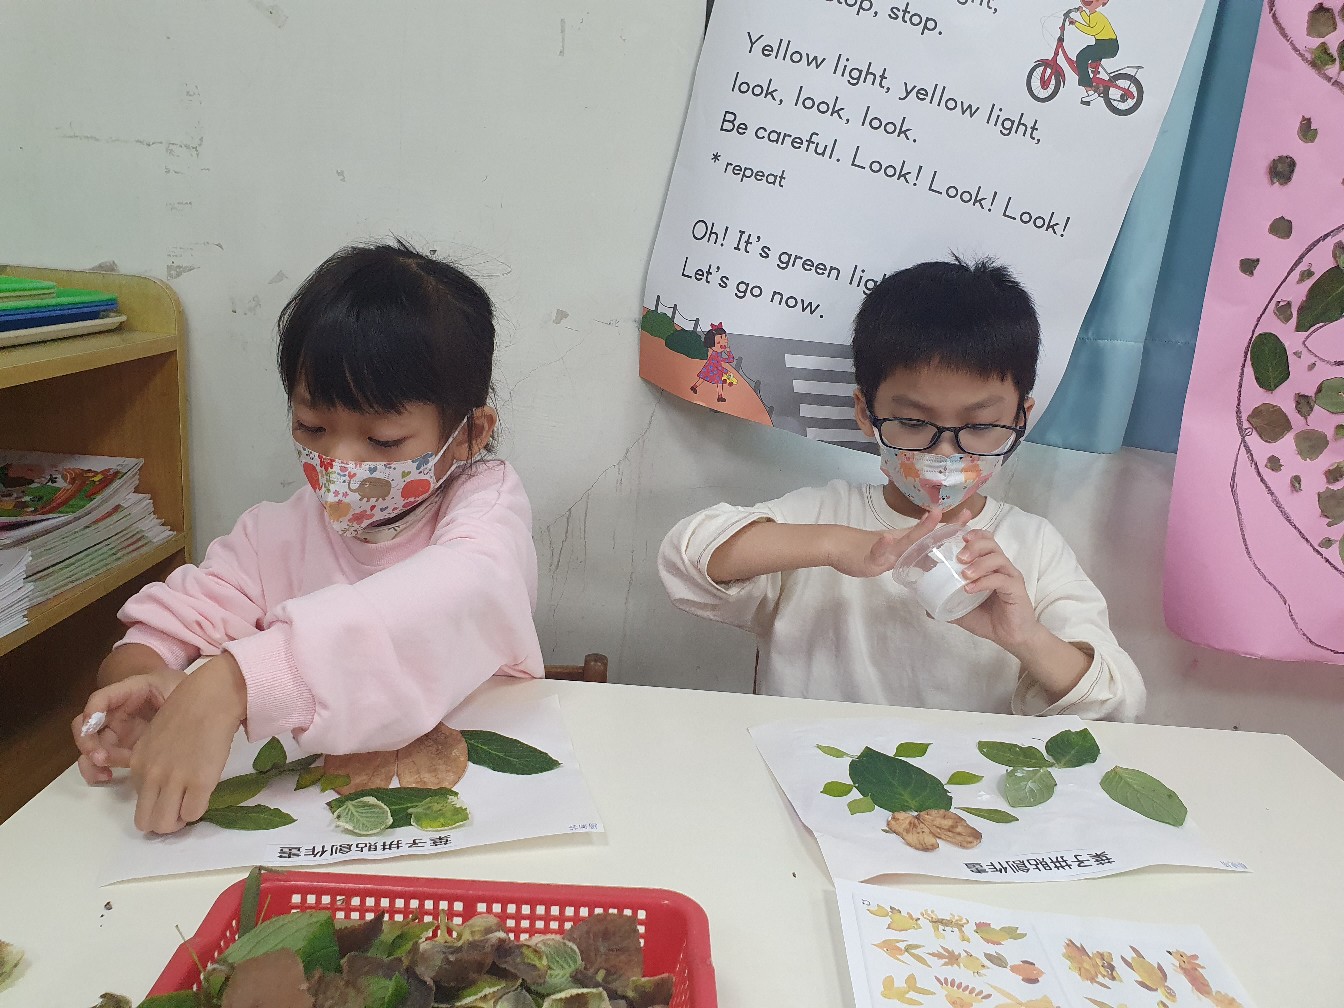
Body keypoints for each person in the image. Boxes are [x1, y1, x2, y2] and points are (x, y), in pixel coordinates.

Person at [72, 241, 544, 834]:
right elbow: (168, 627)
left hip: (477, 811)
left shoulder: (485, 509)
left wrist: (238, 682)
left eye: (383, 441)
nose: (341, 463)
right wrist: (145, 686)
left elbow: (461, 591)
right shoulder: (276, 533)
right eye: (312, 427)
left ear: (471, 434)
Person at [659, 256, 1144, 720]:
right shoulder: (824, 514)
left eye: (980, 426)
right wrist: (836, 545)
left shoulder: (1032, 547)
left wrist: (1025, 637)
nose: (945, 454)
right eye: (913, 422)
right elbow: (687, 559)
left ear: (1021, 418)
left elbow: (1117, 703)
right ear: (865, 413)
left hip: (964, 778)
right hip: (813, 762)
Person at [1069, 0, 1119, 104]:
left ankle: (1089, 90)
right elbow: (1089, 22)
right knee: (1089, 50)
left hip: (1108, 46)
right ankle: (1094, 74)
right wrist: (1082, 12)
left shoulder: (1099, 17)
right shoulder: (1093, 15)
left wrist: (1076, 23)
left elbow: (1092, 31)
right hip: (1103, 44)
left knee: (1081, 57)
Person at [690, 323, 737, 403]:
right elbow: (718, 365)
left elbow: (730, 360)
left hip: (716, 371)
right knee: (703, 378)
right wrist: (727, 372)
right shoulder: (715, 355)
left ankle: (720, 396)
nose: (724, 344)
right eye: (719, 342)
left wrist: (729, 352)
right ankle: (694, 387)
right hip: (710, 369)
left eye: (725, 339)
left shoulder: (718, 353)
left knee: (718, 382)